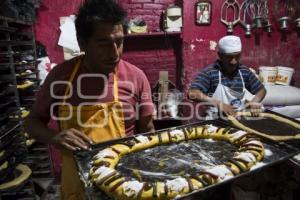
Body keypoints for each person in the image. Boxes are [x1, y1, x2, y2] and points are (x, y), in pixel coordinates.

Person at [25, 0, 155, 199]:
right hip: (78, 187)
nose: (115, 53)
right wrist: (54, 137)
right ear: (82, 42)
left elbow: (148, 131)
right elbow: (32, 123)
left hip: (125, 185)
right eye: (103, 43)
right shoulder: (61, 77)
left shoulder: (136, 78)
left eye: (119, 42)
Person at [188, 35, 266, 118]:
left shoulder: (243, 71)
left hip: (239, 121)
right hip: (215, 123)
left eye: (237, 56)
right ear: (220, 55)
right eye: (229, 57)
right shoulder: (210, 72)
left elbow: (261, 90)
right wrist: (218, 104)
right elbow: (192, 93)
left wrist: (254, 102)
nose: (234, 61)